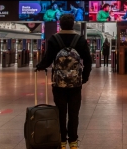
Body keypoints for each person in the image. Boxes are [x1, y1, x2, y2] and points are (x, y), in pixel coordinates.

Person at [36, 14, 92, 149]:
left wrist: (39, 66)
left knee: (60, 112)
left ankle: (61, 141)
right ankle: (73, 141)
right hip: (75, 84)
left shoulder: (54, 39)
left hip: (58, 83)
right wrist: (84, 77)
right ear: (73, 24)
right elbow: (88, 60)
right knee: (74, 113)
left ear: (60, 24)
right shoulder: (80, 40)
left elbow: (48, 59)